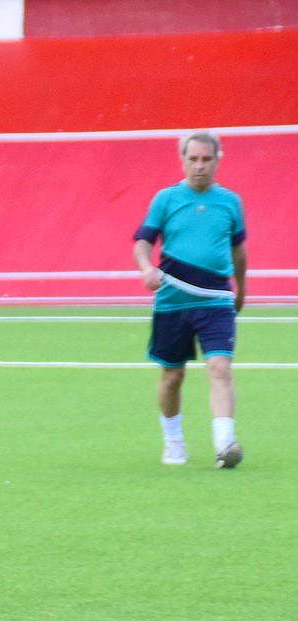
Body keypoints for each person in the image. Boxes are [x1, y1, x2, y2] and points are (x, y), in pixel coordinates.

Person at [134, 130, 248, 469]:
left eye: (207, 159)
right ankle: (173, 441)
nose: (200, 166)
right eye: (194, 159)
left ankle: (224, 444)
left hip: (216, 301)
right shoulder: (166, 199)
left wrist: (242, 288)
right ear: (183, 160)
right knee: (172, 376)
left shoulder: (230, 202)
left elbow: (239, 252)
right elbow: (143, 242)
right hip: (173, 302)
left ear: (217, 160)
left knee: (220, 367)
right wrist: (146, 268)